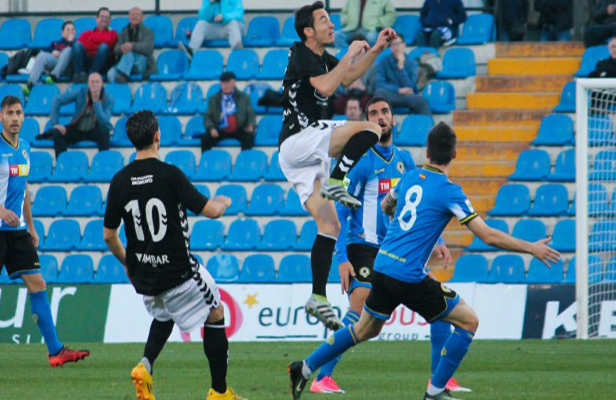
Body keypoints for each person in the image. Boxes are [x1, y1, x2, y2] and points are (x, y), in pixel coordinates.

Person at [288, 122, 561, 400]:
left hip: (382, 266)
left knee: (363, 329)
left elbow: (385, 206)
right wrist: (531, 248)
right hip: (408, 276)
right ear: (455, 154)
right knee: (468, 321)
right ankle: (435, 392)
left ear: (427, 152)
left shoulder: (408, 177)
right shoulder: (449, 190)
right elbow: (487, 235)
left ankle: (305, 367)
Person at [309, 97, 468, 395]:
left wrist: (439, 241)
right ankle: (321, 377)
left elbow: (422, 204)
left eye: (384, 112)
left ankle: (440, 378)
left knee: (437, 301)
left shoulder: (404, 160)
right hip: (363, 246)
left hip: (395, 250)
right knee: (358, 306)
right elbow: (340, 210)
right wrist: (341, 257)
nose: (380, 117)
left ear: (394, 120)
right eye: (373, 114)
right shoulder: (360, 162)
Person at [103, 110, 246, 400]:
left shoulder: (119, 180)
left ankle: (145, 366)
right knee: (216, 311)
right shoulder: (170, 175)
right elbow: (212, 212)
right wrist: (223, 201)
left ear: (133, 141)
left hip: (145, 276)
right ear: (157, 136)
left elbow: (108, 235)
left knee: (166, 310)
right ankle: (220, 393)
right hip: (179, 272)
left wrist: (129, 265)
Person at [278, 1, 397, 330]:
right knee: (372, 130)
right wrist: (349, 54)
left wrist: (375, 50)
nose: (331, 25)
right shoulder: (301, 53)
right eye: (324, 20)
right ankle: (337, 180)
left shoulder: (317, 58)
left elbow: (350, 77)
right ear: (308, 32)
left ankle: (317, 296)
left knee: (329, 226)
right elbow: (329, 86)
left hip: (300, 156)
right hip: (299, 140)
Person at [0, 96, 91, 367]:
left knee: (38, 284)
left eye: (19, 113)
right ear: (1, 117)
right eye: (10, 113)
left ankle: (55, 351)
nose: (15, 118)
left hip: (17, 232)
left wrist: (32, 226)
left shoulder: (25, 148)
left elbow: (24, 190)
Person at [40, 72, 113, 158]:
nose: (95, 84)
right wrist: (55, 123)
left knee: (104, 131)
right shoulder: (81, 92)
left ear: (102, 84)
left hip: (95, 129)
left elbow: (104, 121)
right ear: (88, 84)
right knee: (57, 133)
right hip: (78, 129)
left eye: (97, 82)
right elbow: (57, 100)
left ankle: (103, 163)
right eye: (92, 82)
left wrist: (96, 102)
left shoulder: (109, 99)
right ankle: (63, 162)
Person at [374, 34, 432, 116]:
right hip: (390, 94)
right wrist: (398, 90)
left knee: (422, 101)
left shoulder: (412, 63)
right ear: (391, 47)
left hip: (407, 96)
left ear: (404, 45)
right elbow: (379, 84)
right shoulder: (383, 61)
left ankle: (427, 126)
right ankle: (382, 126)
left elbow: (410, 86)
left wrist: (401, 68)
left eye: (398, 44)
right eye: (393, 44)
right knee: (379, 93)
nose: (396, 47)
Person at [201, 71, 256, 152]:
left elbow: (250, 113)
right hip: (220, 129)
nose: (226, 85)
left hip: (238, 128)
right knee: (205, 138)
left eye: (228, 82)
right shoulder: (214, 99)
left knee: (248, 137)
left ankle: (244, 162)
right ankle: (206, 162)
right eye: (223, 83)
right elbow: (207, 117)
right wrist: (211, 128)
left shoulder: (244, 98)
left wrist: (251, 125)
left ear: (234, 83)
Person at [179, 0, 244, 59]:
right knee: (201, 24)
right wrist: (210, 4)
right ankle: (191, 51)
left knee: (233, 23)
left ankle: (238, 53)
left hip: (231, 28)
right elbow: (202, 17)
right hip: (215, 28)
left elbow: (239, 14)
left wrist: (224, 17)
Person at [107, 7, 157, 83]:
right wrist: (122, 48)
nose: (134, 17)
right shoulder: (124, 31)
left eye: (137, 15)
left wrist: (132, 46)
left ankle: (123, 75)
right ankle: (121, 88)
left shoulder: (148, 31)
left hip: (142, 63)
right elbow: (116, 49)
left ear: (142, 18)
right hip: (125, 63)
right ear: (129, 17)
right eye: (132, 14)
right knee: (110, 73)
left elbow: (148, 48)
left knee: (129, 53)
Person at [25, 21, 75, 92]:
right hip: (54, 63)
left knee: (68, 50)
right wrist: (52, 51)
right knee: (42, 55)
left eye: (72, 29)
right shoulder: (56, 43)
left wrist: (70, 43)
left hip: (67, 66)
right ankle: (31, 84)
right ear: (62, 32)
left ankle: (53, 76)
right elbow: (45, 51)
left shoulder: (77, 43)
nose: (71, 32)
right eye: (68, 30)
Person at [72, 7, 118, 82]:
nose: (104, 19)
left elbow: (108, 43)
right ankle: (78, 74)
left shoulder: (113, 34)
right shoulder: (87, 33)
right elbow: (79, 45)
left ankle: (91, 75)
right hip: (87, 61)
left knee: (103, 47)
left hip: (102, 64)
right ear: (96, 19)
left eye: (107, 17)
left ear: (110, 21)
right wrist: (97, 44)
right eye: (102, 17)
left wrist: (91, 41)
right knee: (77, 45)